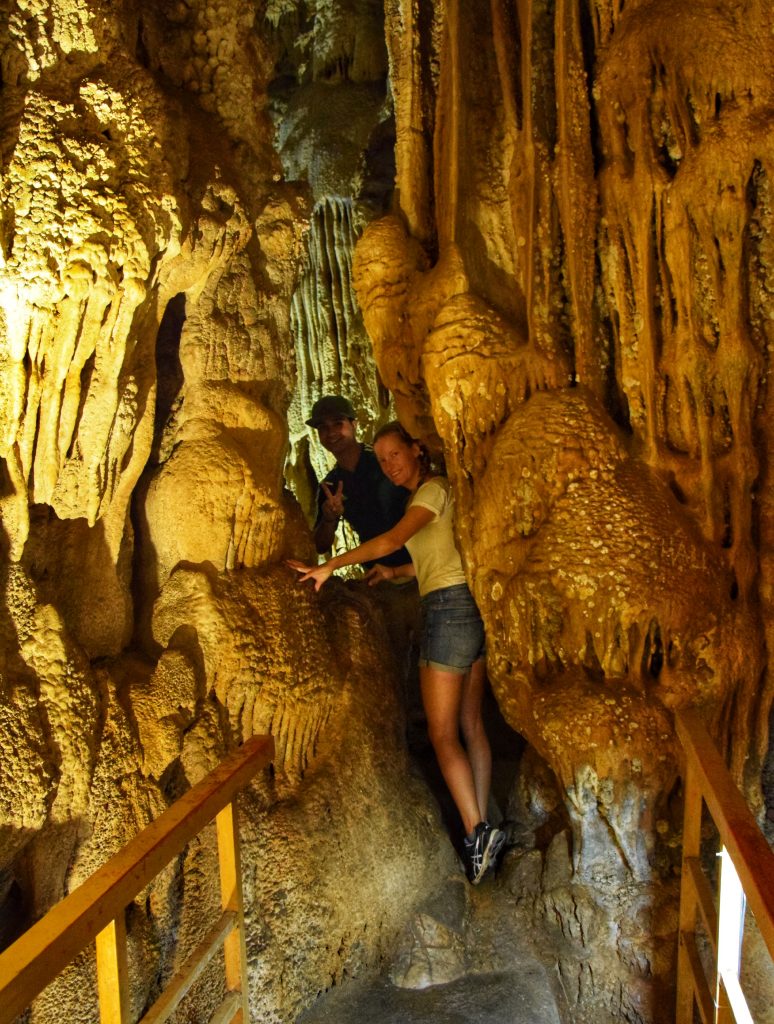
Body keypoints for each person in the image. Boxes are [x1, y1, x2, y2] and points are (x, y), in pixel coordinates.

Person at [289, 420, 504, 884]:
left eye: (395, 455)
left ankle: (475, 832)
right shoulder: (433, 494)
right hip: (468, 605)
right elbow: (434, 559)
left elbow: (389, 541)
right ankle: (486, 827)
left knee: (443, 733)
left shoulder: (429, 493)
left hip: (447, 612)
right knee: (471, 724)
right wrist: (394, 575)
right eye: (382, 459)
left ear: (416, 450)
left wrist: (329, 567)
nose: (388, 465)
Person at [306, 395, 412, 570]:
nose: (331, 433)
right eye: (323, 427)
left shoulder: (382, 460)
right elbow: (320, 546)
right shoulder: (330, 486)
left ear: (354, 425)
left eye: (338, 423)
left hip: (416, 565)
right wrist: (329, 519)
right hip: (377, 573)